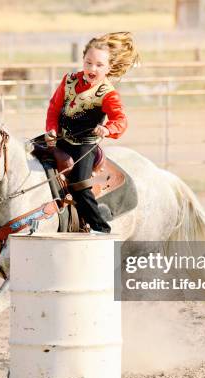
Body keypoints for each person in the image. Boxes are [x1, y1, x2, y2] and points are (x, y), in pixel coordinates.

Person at [45, 32, 139, 233]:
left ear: (108, 68)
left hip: (84, 146)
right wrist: (51, 130)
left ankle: (100, 228)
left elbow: (121, 121)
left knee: (80, 184)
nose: (92, 68)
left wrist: (107, 128)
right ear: (83, 61)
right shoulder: (69, 80)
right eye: (88, 63)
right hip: (60, 139)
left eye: (98, 65)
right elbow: (54, 107)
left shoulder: (108, 94)